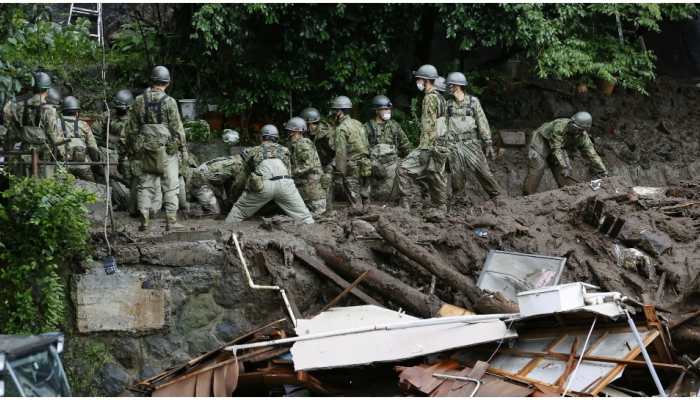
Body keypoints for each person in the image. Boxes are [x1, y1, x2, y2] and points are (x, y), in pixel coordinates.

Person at [126, 65, 187, 231]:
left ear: (152, 81)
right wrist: (182, 149)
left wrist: (132, 150)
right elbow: (177, 129)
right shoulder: (170, 102)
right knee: (171, 184)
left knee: (145, 184)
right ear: (167, 83)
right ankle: (171, 220)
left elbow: (131, 129)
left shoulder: (139, 101)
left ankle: (144, 219)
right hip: (166, 150)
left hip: (145, 148)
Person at [225, 124, 314, 224]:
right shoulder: (285, 150)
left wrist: (233, 196)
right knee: (305, 217)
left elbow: (242, 178)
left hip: (263, 185)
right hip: (285, 183)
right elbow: (289, 171)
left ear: (261, 137)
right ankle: (315, 232)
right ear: (276, 138)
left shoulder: (254, 151)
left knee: (239, 211)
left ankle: (226, 230)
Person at [441, 72, 502, 199]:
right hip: (453, 145)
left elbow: (482, 121)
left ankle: (497, 197)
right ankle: (460, 202)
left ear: (458, 86)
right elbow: (443, 125)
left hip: (471, 143)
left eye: (450, 85)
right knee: (457, 176)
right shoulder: (448, 104)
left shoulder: (473, 102)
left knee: (483, 172)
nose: (448, 87)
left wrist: (488, 142)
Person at [396, 64, 447, 211]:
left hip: (430, 145)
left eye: (419, 79)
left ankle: (406, 206)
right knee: (436, 176)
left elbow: (429, 125)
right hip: (440, 144)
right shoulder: (441, 98)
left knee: (403, 168)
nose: (417, 82)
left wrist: (426, 148)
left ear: (426, 80)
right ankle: (440, 208)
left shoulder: (430, 98)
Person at [523, 111, 608, 195]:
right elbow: (556, 148)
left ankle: (569, 197)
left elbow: (592, 154)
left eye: (579, 130)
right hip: (542, 141)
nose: (575, 130)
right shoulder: (560, 126)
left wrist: (602, 170)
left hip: (560, 147)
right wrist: (564, 166)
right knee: (538, 166)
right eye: (574, 126)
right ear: (571, 122)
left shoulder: (582, 137)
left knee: (565, 173)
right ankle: (528, 197)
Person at [2, 72, 64, 177]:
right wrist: (62, 154)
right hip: (43, 158)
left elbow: (10, 130)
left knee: (22, 185)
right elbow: (54, 139)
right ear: (47, 90)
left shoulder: (16, 106)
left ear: (32, 87)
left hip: (22, 154)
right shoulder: (49, 110)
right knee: (44, 188)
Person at [92, 89, 134, 210]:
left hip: (128, 154)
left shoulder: (134, 118)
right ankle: (119, 199)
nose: (120, 110)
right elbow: (95, 133)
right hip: (109, 153)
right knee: (109, 176)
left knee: (128, 177)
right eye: (118, 107)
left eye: (123, 108)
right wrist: (104, 145)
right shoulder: (107, 116)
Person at [187, 129, 246, 215]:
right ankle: (187, 208)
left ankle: (200, 202)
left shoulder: (234, 160)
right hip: (199, 182)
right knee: (215, 212)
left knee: (222, 206)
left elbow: (228, 185)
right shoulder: (237, 165)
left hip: (205, 181)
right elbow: (236, 189)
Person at [364, 95, 411, 201]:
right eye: (384, 109)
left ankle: (402, 199)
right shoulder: (367, 127)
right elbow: (362, 150)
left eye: (388, 109)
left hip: (392, 166)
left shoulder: (394, 126)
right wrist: (372, 163)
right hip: (374, 166)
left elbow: (406, 146)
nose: (387, 111)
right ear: (376, 110)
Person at [329, 96, 371, 209]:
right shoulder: (358, 123)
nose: (333, 113)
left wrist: (339, 174)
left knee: (355, 200)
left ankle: (359, 217)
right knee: (365, 195)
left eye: (335, 111)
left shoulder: (341, 128)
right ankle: (367, 210)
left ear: (339, 112)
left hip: (352, 167)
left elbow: (341, 154)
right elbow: (366, 144)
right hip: (366, 164)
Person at [286, 116, 326, 214]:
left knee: (317, 212)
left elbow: (309, 165)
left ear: (294, 132)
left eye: (289, 131)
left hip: (312, 186)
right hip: (308, 183)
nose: (288, 134)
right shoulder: (297, 144)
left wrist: (291, 173)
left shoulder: (303, 144)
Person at [301, 106, 336, 210]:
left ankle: (328, 207)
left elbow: (339, 153)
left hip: (328, 164)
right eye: (309, 124)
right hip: (313, 165)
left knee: (326, 180)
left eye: (315, 123)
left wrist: (330, 169)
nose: (312, 127)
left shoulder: (327, 134)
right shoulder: (302, 134)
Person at [59, 96, 100, 181]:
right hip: (82, 165)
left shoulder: (56, 123)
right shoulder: (84, 125)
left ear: (62, 111)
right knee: (92, 188)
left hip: (62, 165)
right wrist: (96, 162)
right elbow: (93, 147)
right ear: (77, 112)